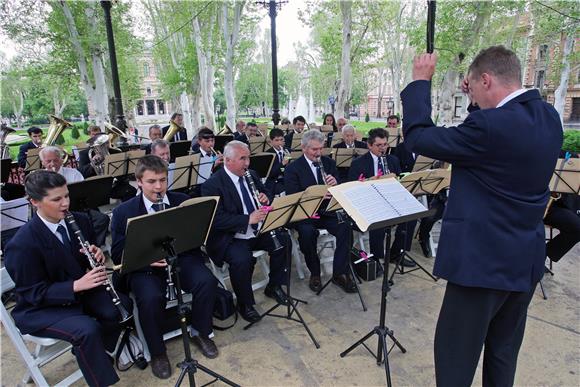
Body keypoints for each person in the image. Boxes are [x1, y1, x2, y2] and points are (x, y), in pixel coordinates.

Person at [401, 46, 562, 386]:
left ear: (486, 80)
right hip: (525, 259)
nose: (470, 95)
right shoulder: (548, 117)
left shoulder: (488, 128)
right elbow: (495, 126)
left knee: (455, 359)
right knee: (503, 353)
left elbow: (418, 136)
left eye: (473, 88)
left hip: (482, 265)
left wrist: (420, 82)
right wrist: (476, 99)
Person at [5, 170, 131, 387]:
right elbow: (32, 293)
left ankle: (99, 352)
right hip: (41, 307)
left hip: (79, 294)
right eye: (56, 199)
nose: (65, 203)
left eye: (66, 196)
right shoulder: (21, 244)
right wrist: (75, 285)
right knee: (86, 330)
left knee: (120, 306)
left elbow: (81, 261)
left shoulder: (79, 220)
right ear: (34, 201)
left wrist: (97, 255)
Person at [111, 155, 218, 379]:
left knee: (206, 281)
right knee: (149, 298)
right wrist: (146, 257)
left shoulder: (181, 200)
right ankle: (158, 352)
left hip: (181, 259)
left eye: (162, 180)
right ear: (138, 181)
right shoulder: (124, 211)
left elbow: (195, 235)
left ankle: (200, 331)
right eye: (151, 182)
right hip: (145, 267)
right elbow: (117, 253)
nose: (158, 187)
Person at [201, 141, 291, 322]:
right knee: (242, 259)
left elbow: (266, 194)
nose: (247, 163)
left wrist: (266, 198)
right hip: (231, 237)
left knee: (283, 241)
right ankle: (245, 303)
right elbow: (216, 220)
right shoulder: (212, 185)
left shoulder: (252, 175)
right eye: (242, 159)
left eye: (248, 157)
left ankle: (274, 285)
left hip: (256, 229)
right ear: (227, 160)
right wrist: (246, 219)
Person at [284, 130, 355, 293]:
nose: (318, 153)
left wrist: (335, 183)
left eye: (320, 149)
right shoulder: (293, 169)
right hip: (306, 214)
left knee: (346, 227)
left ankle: (339, 273)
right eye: (314, 149)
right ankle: (315, 273)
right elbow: (293, 196)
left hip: (326, 211)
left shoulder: (328, 163)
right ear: (303, 148)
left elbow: (339, 189)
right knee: (307, 233)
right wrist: (317, 192)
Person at [348, 128, 401, 262]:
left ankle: (395, 253)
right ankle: (377, 258)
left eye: (385, 144)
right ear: (369, 145)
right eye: (379, 145)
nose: (383, 149)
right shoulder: (358, 163)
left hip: (390, 200)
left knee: (412, 217)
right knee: (380, 218)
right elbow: (352, 189)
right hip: (369, 204)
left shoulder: (393, 160)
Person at [544, 151, 580, 262]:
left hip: (560, 205)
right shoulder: (544, 152)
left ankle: (542, 253)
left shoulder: (571, 158)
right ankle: (538, 255)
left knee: (577, 227)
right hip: (540, 203)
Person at [265, 128, 288, 195]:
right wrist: (282, 163)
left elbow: (287, 169)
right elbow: (271, 173)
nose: (279, 143)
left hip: (285, 179)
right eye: (276, 140)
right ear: (271, 141)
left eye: (281, 140)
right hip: (274, 182)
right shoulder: (268, 155)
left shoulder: (287, 152)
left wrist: (284, 167)